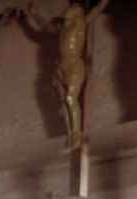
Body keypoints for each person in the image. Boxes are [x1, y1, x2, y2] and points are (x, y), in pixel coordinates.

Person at [25, 0, 109, 150]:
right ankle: (71, 134)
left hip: (75, 66)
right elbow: (44, 26)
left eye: (72, 9)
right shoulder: (61, 28)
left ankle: (76, 133)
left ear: (78, 12)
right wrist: (33, 14)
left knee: (71, 99)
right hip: (62, 67)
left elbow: (98, 8)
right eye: (69, 9)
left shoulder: (81, 23)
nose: (68, 11)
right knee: (64, 102)